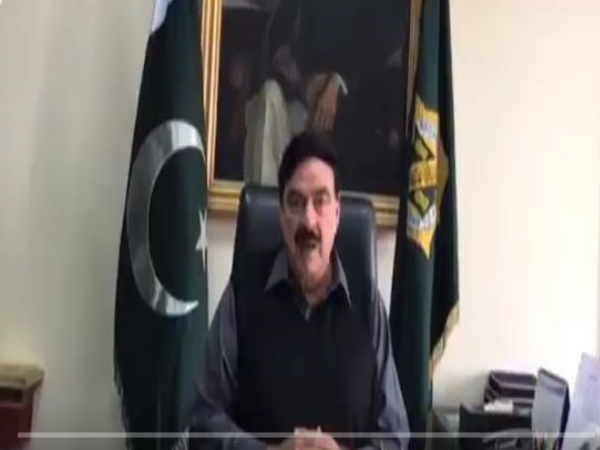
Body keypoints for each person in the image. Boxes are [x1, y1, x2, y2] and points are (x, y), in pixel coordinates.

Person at [192, 131, 410, 450]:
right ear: (281, 216)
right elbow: (202, 418)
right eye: (295, 202)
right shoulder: (243, 292)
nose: (309, 221)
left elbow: (395, 433)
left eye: (320, 201)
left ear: (337, 213)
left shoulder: (366, 302)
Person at [242, 0, 408, 191]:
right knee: (268, 95)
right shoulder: (289, 9)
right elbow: (273, 54)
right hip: (291, 101)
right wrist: (289, 72)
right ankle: (264, 206)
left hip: (346, 114)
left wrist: (335, 81)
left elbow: (379, 57)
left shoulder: (375, 11)